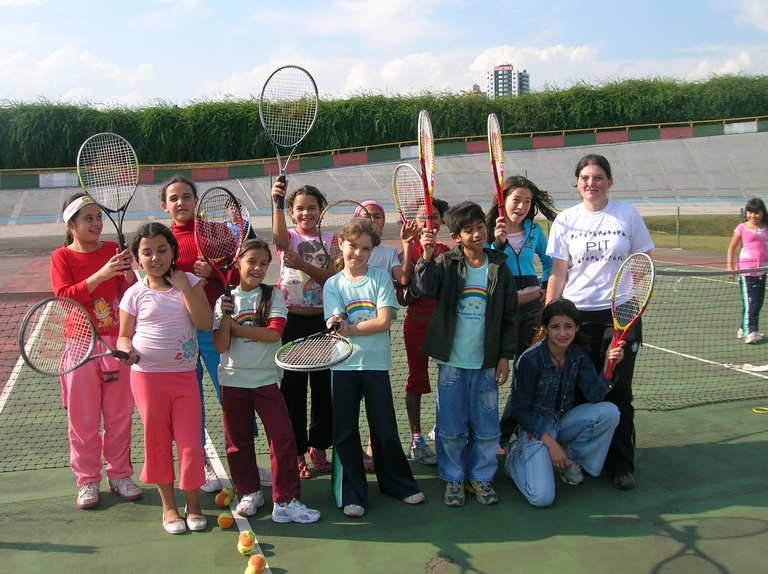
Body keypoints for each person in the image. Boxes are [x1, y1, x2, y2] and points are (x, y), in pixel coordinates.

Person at [545, 153, 655, 491]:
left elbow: (643, 262)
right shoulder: (565, 220)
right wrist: (550, 313)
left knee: (618, 390)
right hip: (577, 317)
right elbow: (559, 273)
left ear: (609, 181)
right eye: (585, 177)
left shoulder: (627, 214)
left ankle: (621, 464)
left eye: (598, 177)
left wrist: (633, 308)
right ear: (577, 183)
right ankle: (580, 457)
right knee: (579, 388)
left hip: (620, 314)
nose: (591, 183)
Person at [160, 176, 270, 493]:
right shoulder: (163, 240)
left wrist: (213, 273)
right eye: (174, 197)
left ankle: (246, 462)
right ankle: (200, 467)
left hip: (218, 328)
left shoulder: (218, 233)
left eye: (186, 196)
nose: (181, 202)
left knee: (233, 396)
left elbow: (242, 273)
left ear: (196, 201)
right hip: (178, 334)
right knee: (188, 403)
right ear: (164, 205)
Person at [413, 201, 518, 507]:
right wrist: (427, 256)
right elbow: (425, 288)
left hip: (486, 362)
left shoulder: (499, 265)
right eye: (468, 230)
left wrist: (504, 356)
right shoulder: (447, 263)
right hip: (452, 362)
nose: (476, 234)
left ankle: (481, 477)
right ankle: (454, 479)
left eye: (479, 228)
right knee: (450, 427)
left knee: (486, 429)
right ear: (456, 236)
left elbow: (510, 315)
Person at [212, 239, 320, 524]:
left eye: (263, 263)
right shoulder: (223, 301)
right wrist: (224, 318)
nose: (258, 268)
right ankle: (249, 491)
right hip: (233, 380)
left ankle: (284, 501)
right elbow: (221, 346)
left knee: (283, 440)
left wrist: (235, 327)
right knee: (238, 442)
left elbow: (274, 335)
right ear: (238, 263)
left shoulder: (273, 296)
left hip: (266, 381)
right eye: (252, 262)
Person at [323, 217, 425, 517]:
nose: (358, 253)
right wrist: (337, 324)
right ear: (341, 244)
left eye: (365, 249)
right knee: (344, 431)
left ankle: (397, 484)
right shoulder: (333, 284)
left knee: (384, 427)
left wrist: (350, 330)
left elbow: (382, 322)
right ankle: (352, 493)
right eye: (353, 246)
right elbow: (335, 319)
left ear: (372, 252)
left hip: (375, 365)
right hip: (342, 367)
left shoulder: (380, 278)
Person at [117, 222, 212, 534]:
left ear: (173, 252)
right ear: (137, 258)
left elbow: (205, 322)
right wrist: (125, 350)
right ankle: (169, 508)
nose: (155, 257)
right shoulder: (133, 294)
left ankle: (194, 505)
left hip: (184, 377)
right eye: (147, 253)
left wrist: (184, 287)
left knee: (190, 444)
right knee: (157, 443)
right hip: (146, 379)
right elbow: (123, 337)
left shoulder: (191, 282)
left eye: (161, 250)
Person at [50, 193, 142, 510]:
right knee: (83, 419)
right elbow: (63, 297)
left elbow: (130, 294)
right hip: (80, 344)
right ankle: (88, 480)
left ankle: (119, 475)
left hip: (116, 341)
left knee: (119, 417)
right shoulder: (61, 257)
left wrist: (129, 271)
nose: (96, 223)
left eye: (98, 217)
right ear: (71, 224)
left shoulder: (113, 250)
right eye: (88, 218)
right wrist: (102, 273)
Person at [505, 299, 623, 507]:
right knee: (542, 498)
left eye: (568, 327)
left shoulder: (578, 355)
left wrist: (607, 368)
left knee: (609, 412)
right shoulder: (530, 360)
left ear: (576, 328)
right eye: (555, 327)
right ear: (545, 328)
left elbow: (594, 396)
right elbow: (520, 412)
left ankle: (568, 458)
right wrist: (550, 443)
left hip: (562, 421)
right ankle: (515, 456)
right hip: (535, 429)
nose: (562, 333)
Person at [486, 176, 557, 451]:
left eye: (528, 201)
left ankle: (510, 431)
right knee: (490, 374)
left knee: (527, 370)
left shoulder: (535, 230)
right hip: (498, 306)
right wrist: (498, 242)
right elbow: (486, 264)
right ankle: (485, 430)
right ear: (503, 201)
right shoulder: (490, 228)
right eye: (517, 199)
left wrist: (544, 289)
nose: (523, 206)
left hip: (531, 308)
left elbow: (550, 260)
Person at [272, 180, 337, 480]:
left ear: (321, 210)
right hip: (293, 323)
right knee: (293, 392)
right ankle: (297, 453)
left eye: (312, 207)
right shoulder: (287, 238)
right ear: (291, 212)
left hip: (322, 322)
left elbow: (331, 280)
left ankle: (319, 448)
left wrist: (303, 265)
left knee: (324, 389)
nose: (306, 213)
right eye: (299, 208)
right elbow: (279, 238)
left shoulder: (331, 239)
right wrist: (276, 202)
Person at [398, 198, 450, 466]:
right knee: (416, 380)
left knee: (448, 378)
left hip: (442, 326)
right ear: (415, 222)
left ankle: (443, 431)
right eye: (424, 217)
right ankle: (417, 438)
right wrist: (409, 246)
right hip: (416, 324)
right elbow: (405, 280)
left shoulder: (447, 250)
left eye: (435, 216)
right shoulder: (409, 248)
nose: (430, 221)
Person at [726, 198, 768, 344]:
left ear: (762, 213)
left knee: (757, 301)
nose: (753, 216)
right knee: (752, 302)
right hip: (746, 270)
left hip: (762, 270)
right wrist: (730, 267)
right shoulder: (742, 228)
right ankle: (751, 331)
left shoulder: (766, 228)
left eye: (757, 213)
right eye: (750, 212)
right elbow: (732, 247)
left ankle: (743, 329)